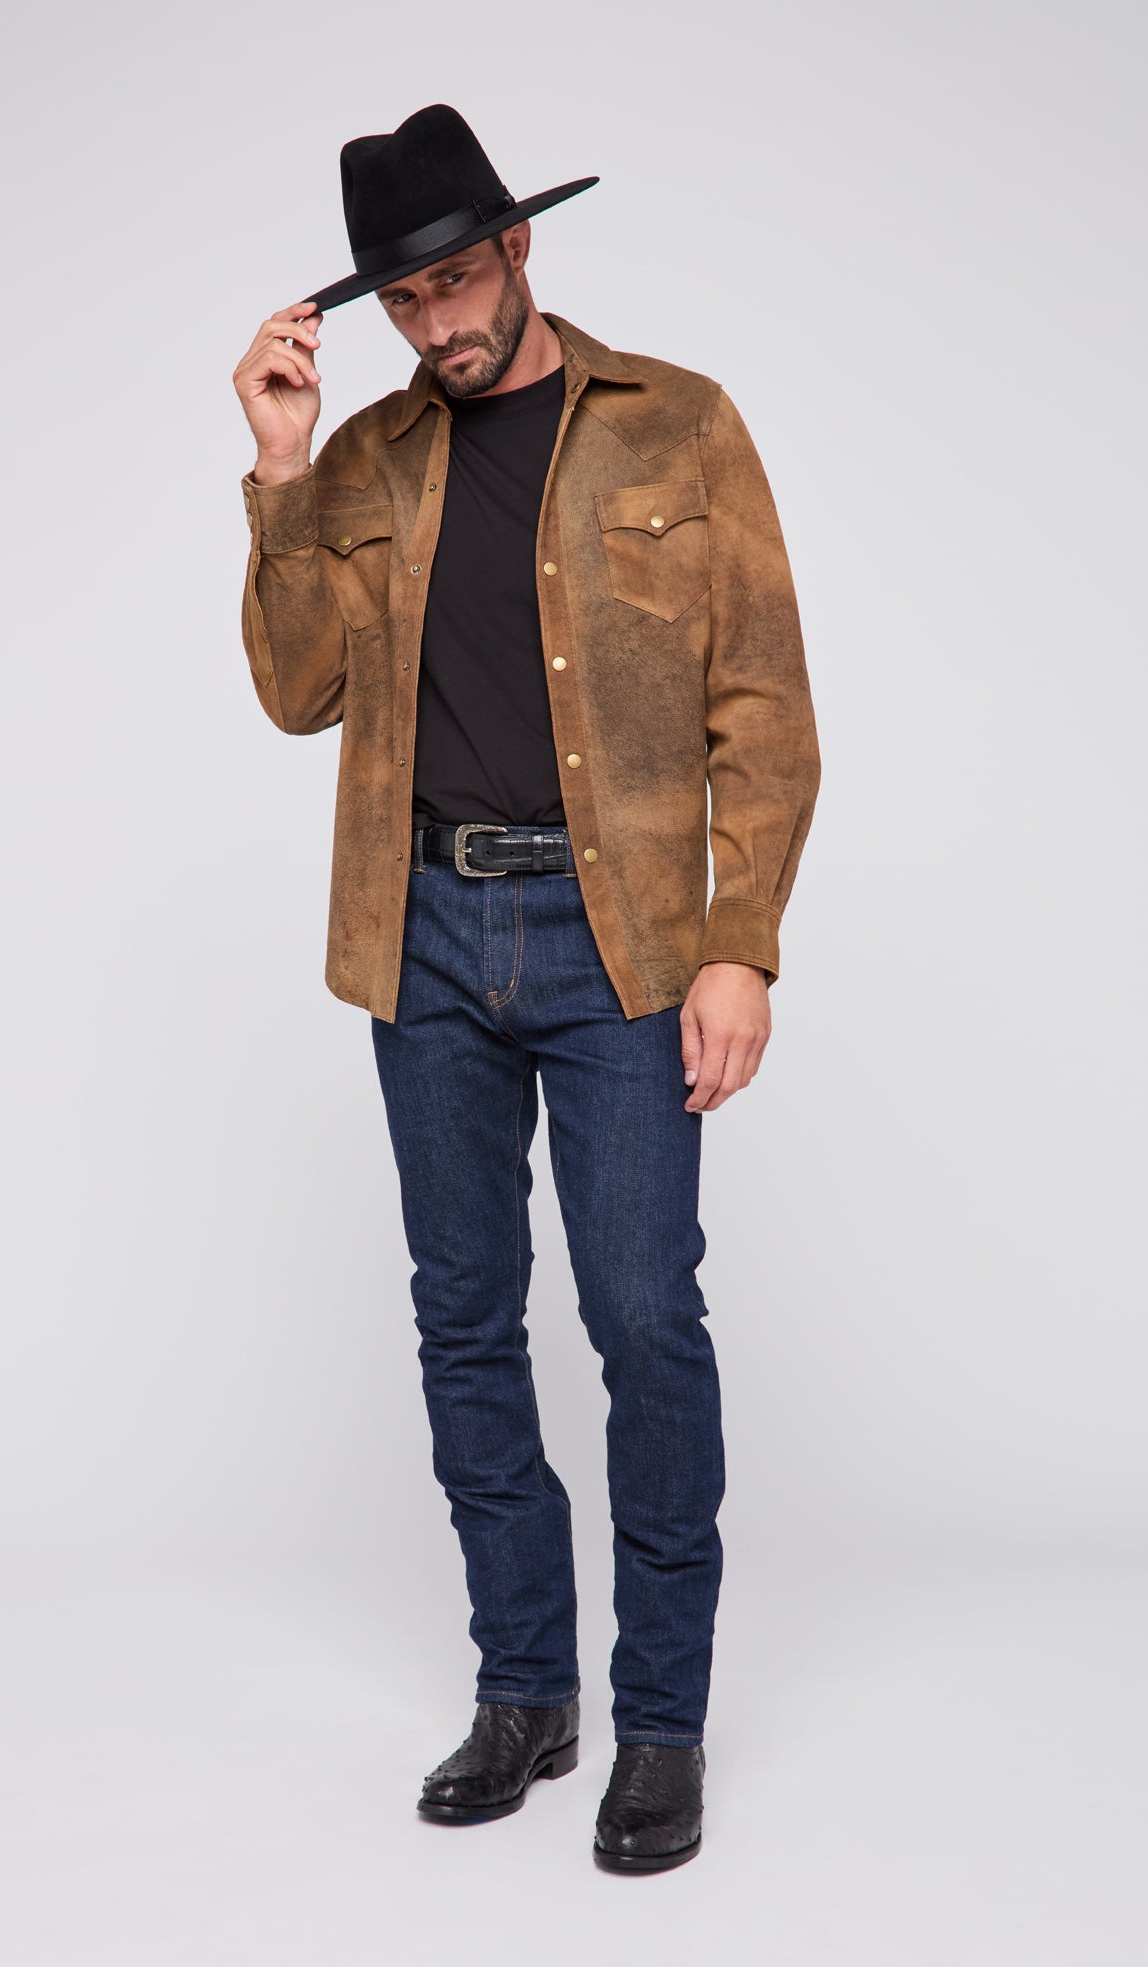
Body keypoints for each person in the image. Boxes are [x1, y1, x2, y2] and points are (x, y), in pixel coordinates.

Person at [231, 104, 819, 1874]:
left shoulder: (679, 425)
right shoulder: (365, 460)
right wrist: (278, 473)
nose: (439, 324)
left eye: (459, 282)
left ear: (520, 249)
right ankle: (524, 1693)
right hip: (418, 937)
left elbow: (765, 704)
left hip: (620, 935)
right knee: (465, 1319)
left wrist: (740, 940)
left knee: (643, 1315)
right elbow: (296, 693)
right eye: (405, 301)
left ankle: (662, 1724)